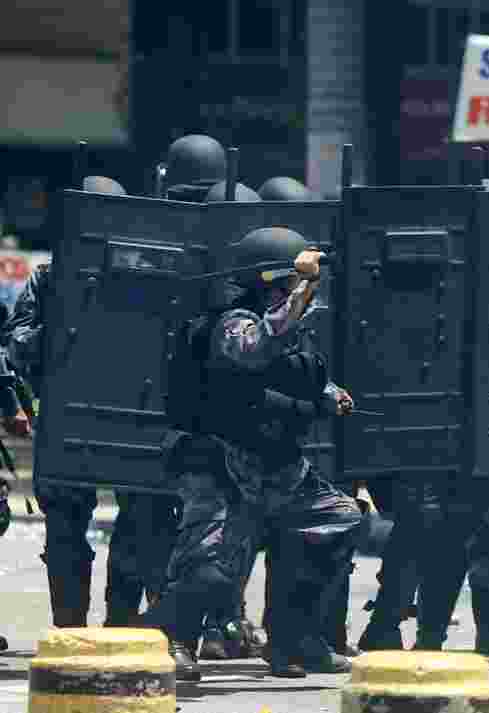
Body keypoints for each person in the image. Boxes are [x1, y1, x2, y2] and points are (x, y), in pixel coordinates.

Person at [144, 227, 364, 681]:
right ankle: (174, 640)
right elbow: (256, 348)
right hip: (221, 463)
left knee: (336, 519)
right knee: (211, 570)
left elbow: (292, 369)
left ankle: (293, 636)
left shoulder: (283, 324)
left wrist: (328, 394)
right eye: (290, 284)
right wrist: (303, 289)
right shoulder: (234, 323)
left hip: (276, 463)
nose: (300, 294)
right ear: (271, 282)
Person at [2, 177, 178, 632]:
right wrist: (56, 335)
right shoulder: (49, 277)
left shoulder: (147, 275)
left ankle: (120, 623)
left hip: (135, 419)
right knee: (64, 528)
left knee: (138, 527)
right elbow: (18, 344)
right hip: (66, 419)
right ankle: (70, 625)